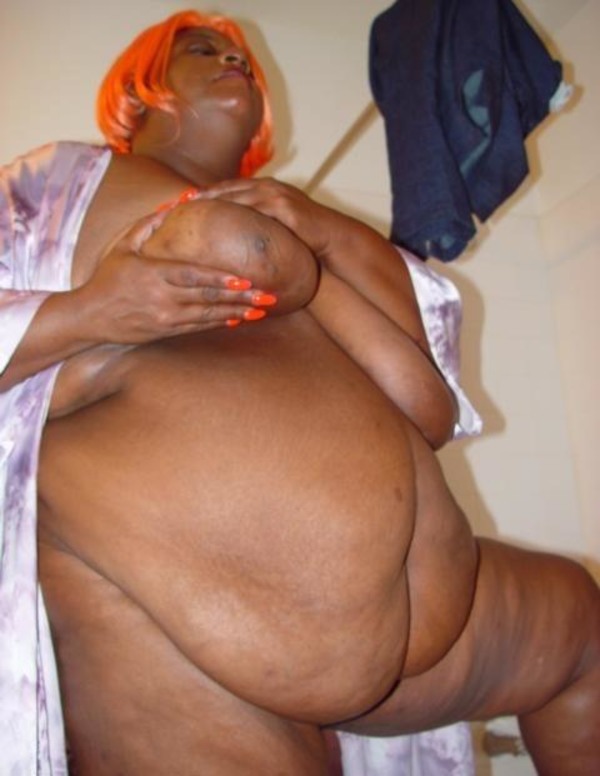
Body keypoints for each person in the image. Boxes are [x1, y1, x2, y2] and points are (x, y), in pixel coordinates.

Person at [0, 10, 597, 776]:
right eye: (202, 49)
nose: (233, 62)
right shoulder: (48, 184)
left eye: (243, 59)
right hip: (186, 617)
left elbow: (430, 401)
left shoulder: (295, 219)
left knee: (581, 629)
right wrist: (89, 313)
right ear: (140, 92)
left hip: (423, 624)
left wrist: (323, 232)